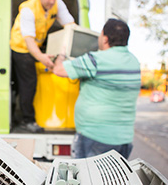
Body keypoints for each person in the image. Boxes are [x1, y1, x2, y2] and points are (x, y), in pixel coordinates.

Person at [53, 19, 141, 159]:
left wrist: (61, 54)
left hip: (94, 138)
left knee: (87, 179)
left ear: (105, 39)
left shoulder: (95, 60)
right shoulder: (134, 62)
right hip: (124, 140)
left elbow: (58, 70)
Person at [10, 0, 75, 132]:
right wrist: (42, 58)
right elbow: (29, 41)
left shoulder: (57, 3)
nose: (52, 1)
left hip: (36, 46)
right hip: (21, 48)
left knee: (31, 83)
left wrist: (62, 55)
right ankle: (27, 120)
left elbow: (70, 27)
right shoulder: (28, 9)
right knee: (29, 83)